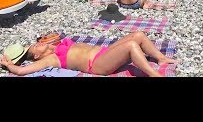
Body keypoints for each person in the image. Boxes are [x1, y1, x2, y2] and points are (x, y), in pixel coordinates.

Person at [0, 31, 180, 77]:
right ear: (37, 56)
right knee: (132, 45)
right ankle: (154, 74)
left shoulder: (56, 45)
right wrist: (9, 65)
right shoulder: (50, 60)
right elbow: (22, 71)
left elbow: (53, 37)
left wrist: (46, 39)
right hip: (97, 65)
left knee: (138, 35)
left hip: (104, 52)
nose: (37, 44)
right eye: (34, 47)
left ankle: (161, 58)